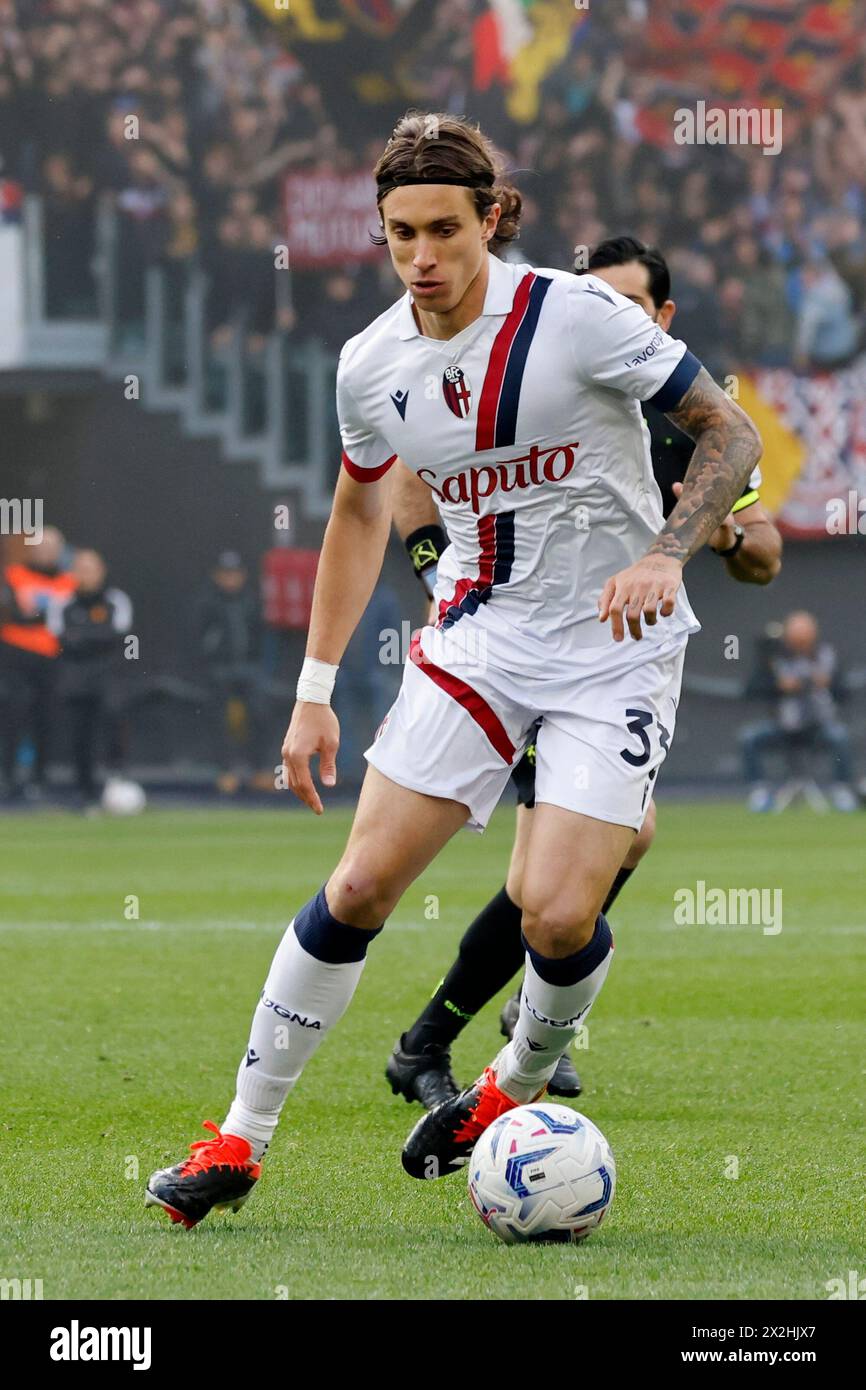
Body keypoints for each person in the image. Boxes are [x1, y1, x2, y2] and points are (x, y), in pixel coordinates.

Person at [146, 112, 761, 1229]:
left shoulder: (579, 318)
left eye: (442, 230)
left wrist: (666, 555)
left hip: (611, 650)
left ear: (492, 218)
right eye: (397, 235)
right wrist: (314, 691)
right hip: (474, 639)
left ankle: (508, 1087)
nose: (421, 258)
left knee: (559, 917)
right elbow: (354, 509)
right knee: (360, 884)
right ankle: (238, 1138)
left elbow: (731, 433)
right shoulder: (370, 363)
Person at [387, 234, 783, 1109]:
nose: (607, 319)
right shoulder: (534, 382)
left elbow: (764, 555)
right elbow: (410, 479)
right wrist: (434, 581)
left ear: (662, 319)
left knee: (580, 870)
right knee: (569, 874)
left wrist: (710, 533)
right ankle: (479, 1031)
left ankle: (460, 1034)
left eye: (631, 308)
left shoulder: (689, 422)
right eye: (591, 297)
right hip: (512, 651)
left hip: (612, 670)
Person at [741, 611, 856, 812]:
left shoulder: (826, 655)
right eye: (796, 637)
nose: (800, 642)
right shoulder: (773, 658)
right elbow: (751, 689)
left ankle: (842, 790)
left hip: (819, 725)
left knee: (841, 737)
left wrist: (828, 684)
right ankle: (759, 793)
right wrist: (779, 686)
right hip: (783, 726)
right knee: (749, 737)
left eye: (804, 636)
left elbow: (844, 691)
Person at [52, 550, 133, 809]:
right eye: (81, 569)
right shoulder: (62, 602)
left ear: (102, 571)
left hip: (107, 674)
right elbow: (62, 641)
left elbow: (120, 637)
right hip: (75, 676)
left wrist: (84, 637)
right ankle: (84, 791)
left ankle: (117, 779)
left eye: (91, 569)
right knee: (80, 734)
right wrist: (93, 637)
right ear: (73, 573)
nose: (86, 575)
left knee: (113, 717)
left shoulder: (116, 600)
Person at [0, 527, 76, 800]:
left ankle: (39, 780)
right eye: (40, 547)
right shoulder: (13, 576)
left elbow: (70, 621)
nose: (45, 553)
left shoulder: (69, 582)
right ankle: (8, 778)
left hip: (52, 658)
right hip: (16, 656)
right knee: (12, 716)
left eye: (51, 548)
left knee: (46, 720)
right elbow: (14, 613)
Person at [194, 552, 269, 794]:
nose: (230, 579)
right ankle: (226, 772)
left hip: (248, 668)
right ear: (217, 576)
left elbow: (260, 635)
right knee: (221, 720)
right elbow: (196, 638)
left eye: (235, 574)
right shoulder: (207, 602)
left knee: (259, 714)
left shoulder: (251, 600)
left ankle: (258, 770)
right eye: (226, 574)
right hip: (220, 670)